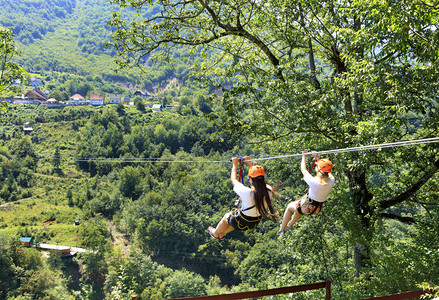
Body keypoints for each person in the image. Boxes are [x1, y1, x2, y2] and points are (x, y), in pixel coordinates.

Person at [207, 156, 278, 240]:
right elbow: (262, 181)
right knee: (234, 219)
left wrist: (234, 164)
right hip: (254, 223)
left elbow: (233, 180)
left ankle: (215, 233)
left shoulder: (247, 192)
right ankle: (222, 234)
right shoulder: (269, 192)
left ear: (251, 179)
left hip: (241, 222)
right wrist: (249, 163)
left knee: (227, 216)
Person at [277, 151, 335, 235]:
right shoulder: (331, 181)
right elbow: (325, 171)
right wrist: (317, 158)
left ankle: (282, 229)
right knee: (298, 208)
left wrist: (303, 155)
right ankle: (289, 224)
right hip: (317, 208)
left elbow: (303, 169)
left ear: (318, 169)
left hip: (307, 207)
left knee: (290, 207)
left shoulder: (314, 182)